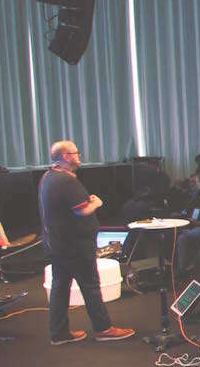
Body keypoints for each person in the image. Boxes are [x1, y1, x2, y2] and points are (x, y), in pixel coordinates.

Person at [38, 140, 134, 345]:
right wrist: (96, 202)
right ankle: (104, 329)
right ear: (65, 156)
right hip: (74, 246)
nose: (79, 155)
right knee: (90, 286)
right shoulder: (66, 181)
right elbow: (82, 210)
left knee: (60, 287)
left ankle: (59, 333)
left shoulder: (48, 176)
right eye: (75, 152)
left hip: (57, 244)